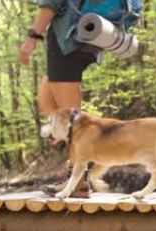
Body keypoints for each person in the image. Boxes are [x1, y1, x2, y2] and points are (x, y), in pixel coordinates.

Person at [19, 0, 98, 198]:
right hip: (81, 35)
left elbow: (52, 3)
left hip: (68, 40)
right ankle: (74, 154)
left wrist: (32, 37)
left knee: (72, 119)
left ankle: (78, 181)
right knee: (47, 100)